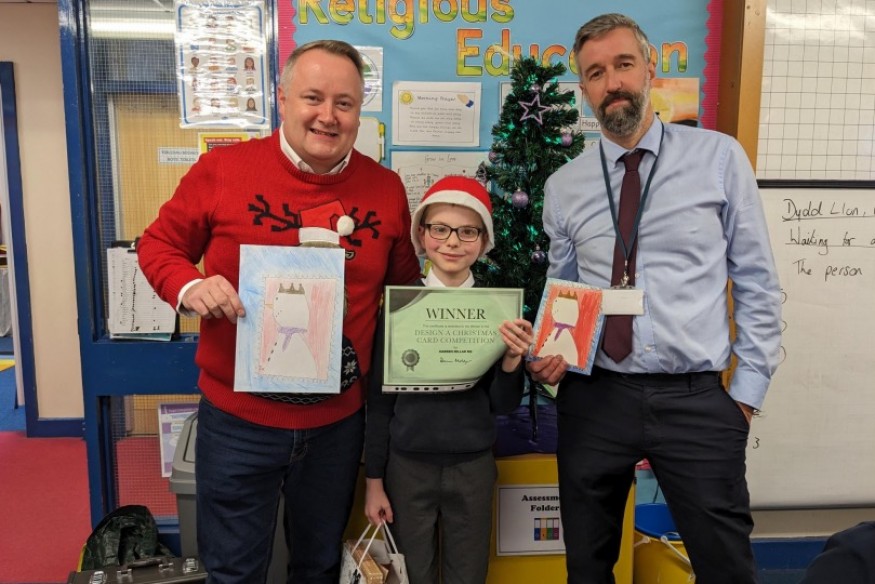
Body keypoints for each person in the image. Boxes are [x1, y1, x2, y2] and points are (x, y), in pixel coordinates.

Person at [137, 39, 421, 584]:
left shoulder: (385, 189)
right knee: (234, 570)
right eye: (313, 97)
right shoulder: (223, 170)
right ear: (282, 98)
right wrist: (189, 285)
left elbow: (403, 290)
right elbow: (158, 245)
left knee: (318, 566)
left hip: (338, 424)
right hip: (238, 421)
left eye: (344, 103)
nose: (328, 115)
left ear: (359, 112)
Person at [529, 13, 782, 584]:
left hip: (696, 400)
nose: (612, 82)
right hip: (596, 399)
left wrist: (744, 398)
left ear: (650, 68)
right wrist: (552, 356)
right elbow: (565, 291)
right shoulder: (564, 186)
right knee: (587, 568)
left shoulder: (719, 159)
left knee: (725, 566)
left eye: (623, 64)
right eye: (596, 73)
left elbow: (757, 282)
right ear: (584, 88)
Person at [363, 176, 533, 584]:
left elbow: (504, 404)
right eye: (440, 229)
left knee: (468, 574)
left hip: (473, 464)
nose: (453, 242)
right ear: (422, 235)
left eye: (468, 231)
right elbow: (379, 402)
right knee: (411, 574)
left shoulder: (498, 309)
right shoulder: (399, 307)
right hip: (407, 465)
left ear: (484, 241)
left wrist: (512, 361)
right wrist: (374, 481)